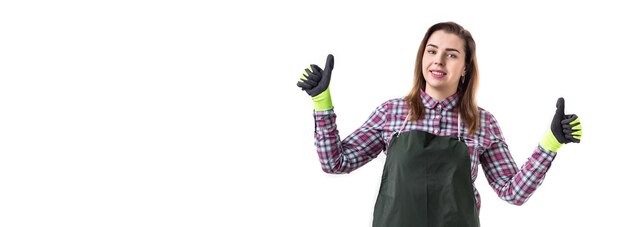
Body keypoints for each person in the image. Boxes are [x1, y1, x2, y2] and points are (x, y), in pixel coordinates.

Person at [296, 21, 582, 227]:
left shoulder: (482, 123)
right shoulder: (392, 112)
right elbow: (336, 162)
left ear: (466, 67)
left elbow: (513, 192)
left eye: (452, 54)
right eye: (432, 51)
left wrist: (550, 143)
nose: (439, 61)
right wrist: (322, 102)